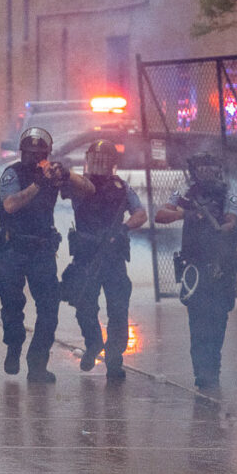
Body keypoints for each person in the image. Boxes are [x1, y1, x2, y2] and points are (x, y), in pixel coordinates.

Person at [0, 127, 93, 383]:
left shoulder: (51, 174)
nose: (35, 157)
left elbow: (89, 189)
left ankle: (37, 365)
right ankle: (14, 347)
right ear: (22, 152)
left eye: (40, 153)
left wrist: (66, 174)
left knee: (49, 309)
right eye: (30, 152)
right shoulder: (12, 173)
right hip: (14, 249)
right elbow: (10, 204)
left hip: (41, 250)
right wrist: (39, 184)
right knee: (13, 307)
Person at [155, 153, 237, 391]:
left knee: (219, 317)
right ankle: (202, 372)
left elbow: (233, 217)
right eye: (202, 168)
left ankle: (213, 368)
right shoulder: (186, 192)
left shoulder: (229, 192)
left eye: (211, 167)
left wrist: (224, 224)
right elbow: (161, 215)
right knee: (197, 319)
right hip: (194, 265)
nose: (207, 172)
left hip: (221, 264)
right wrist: (187, 213)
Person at [63, 140, 147, 380]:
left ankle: (114, 360)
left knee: (118, 310)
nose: (99, 167)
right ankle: (93, 343)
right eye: (95, 161)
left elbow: (140, 214)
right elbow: (69, 185)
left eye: (103, 162)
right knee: (83, 306)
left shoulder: (122, 187)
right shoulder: (80, 185)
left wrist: (123, 228)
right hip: (86, 257)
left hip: (113, 258)